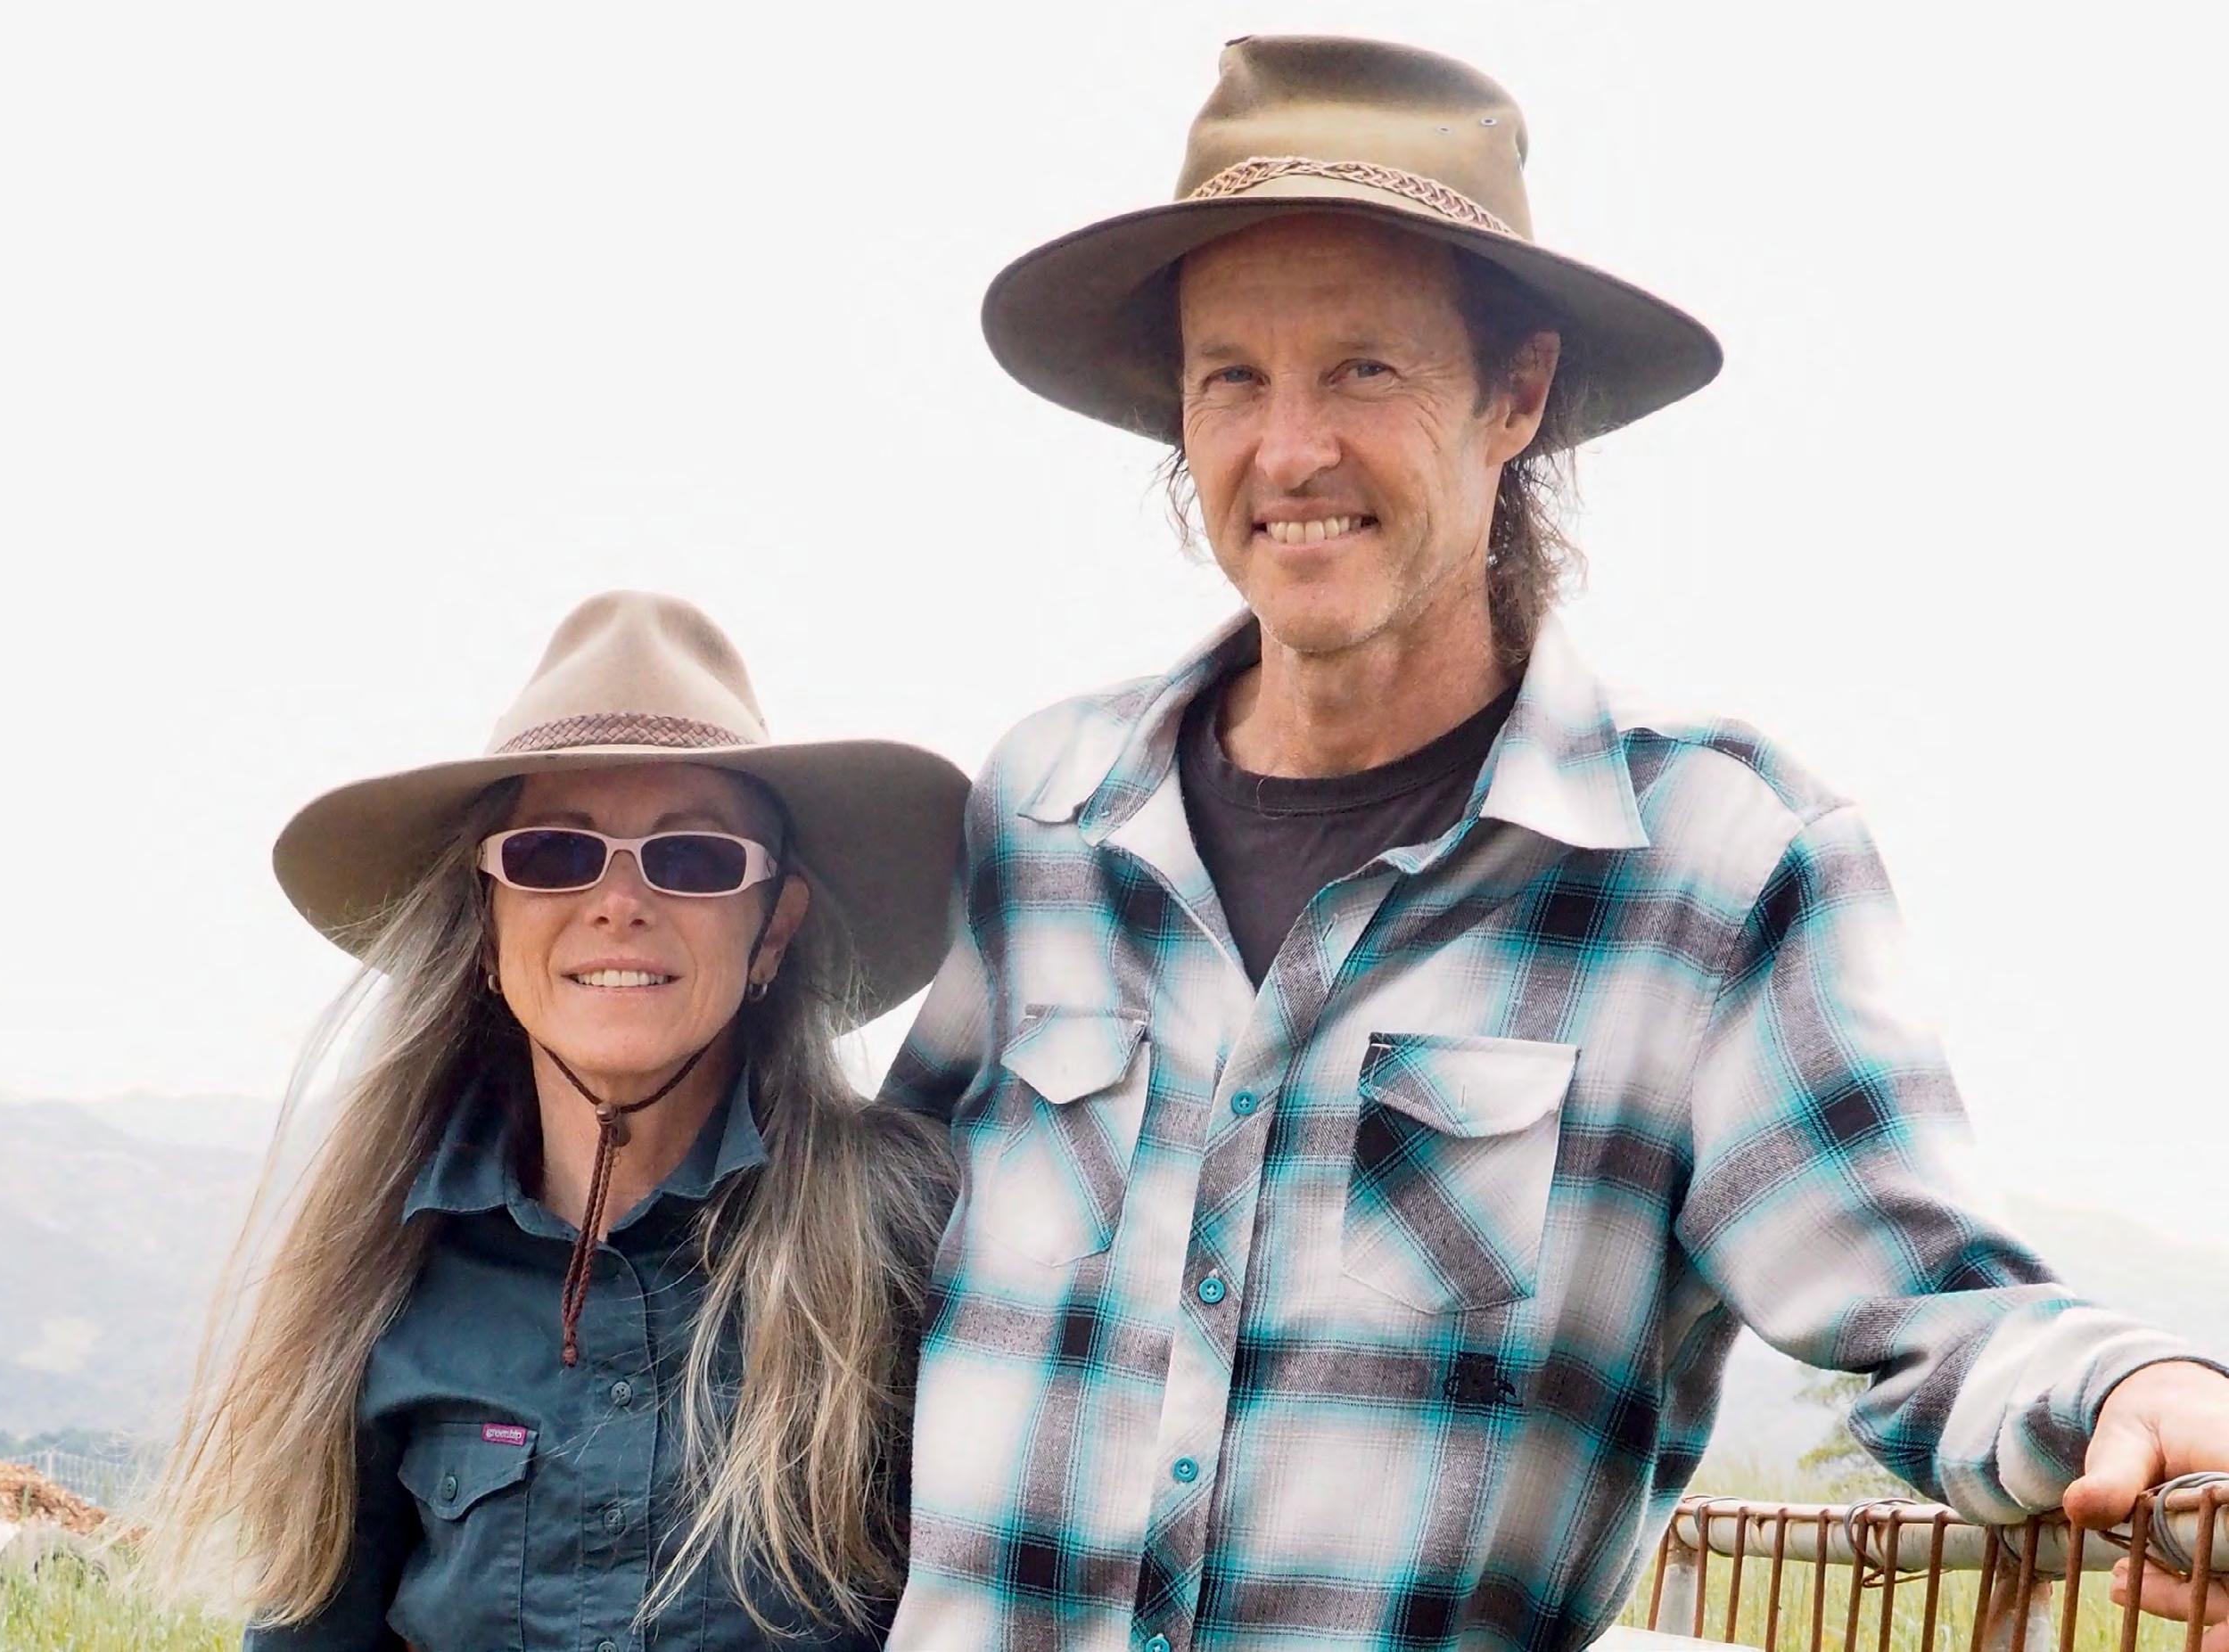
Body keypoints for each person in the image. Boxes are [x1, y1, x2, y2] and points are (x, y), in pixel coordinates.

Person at [881, 36, 2229, 1651]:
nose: (1287, 449)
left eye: (1361, 369)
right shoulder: (1043, 815)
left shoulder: (1712, 864)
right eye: (1230, 376)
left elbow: (1923, 1289)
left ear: (1513, 396)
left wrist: (2136, 1388)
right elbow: (861, 1260)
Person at [150, 591, 968, 1650]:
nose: (618, 900)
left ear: (774, 927)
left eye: (693, 857)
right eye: (552, 854)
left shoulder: (916, 1237)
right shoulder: (380, 1272)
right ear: (488, 919)